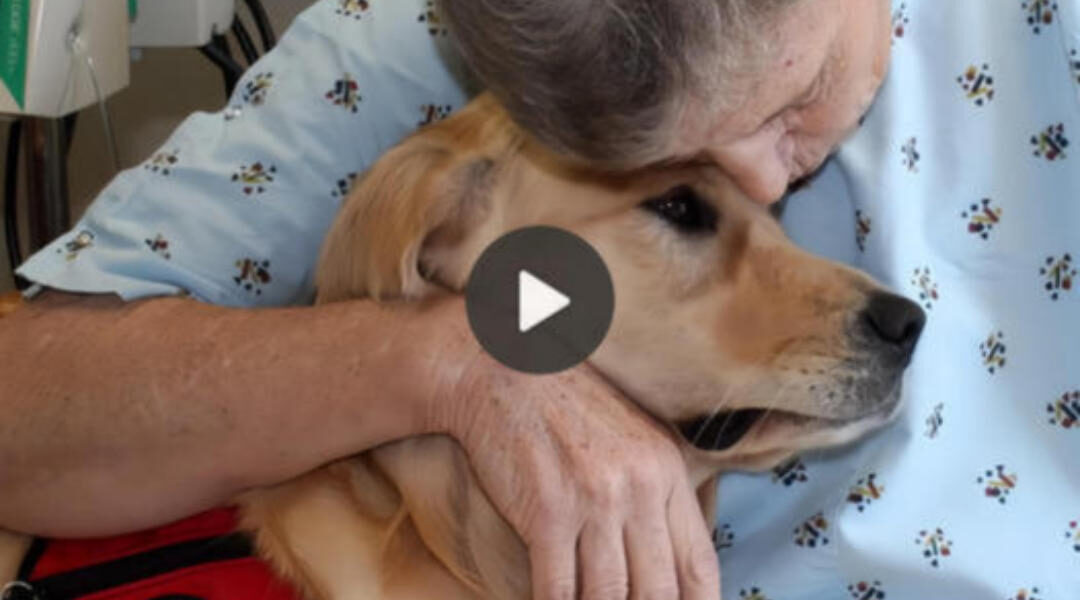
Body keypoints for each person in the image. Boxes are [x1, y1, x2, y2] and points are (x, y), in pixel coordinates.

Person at [2, 0, 1077, 598]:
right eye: (660, 170)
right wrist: (444, 361)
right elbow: (21, 406)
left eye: (790, 102)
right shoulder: (425, 34)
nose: (760, 181)